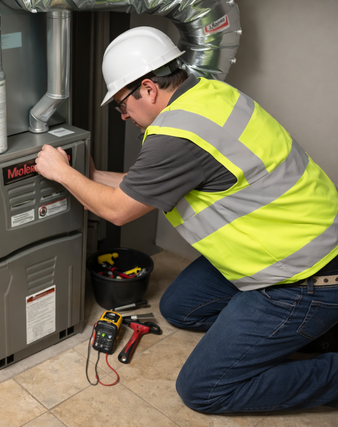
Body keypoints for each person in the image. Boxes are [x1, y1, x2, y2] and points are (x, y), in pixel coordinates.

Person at [35, 26, 338, 413]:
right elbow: (143, 187)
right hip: (301, 243)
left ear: (148, 88)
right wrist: (87, 176)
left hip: (304, 278)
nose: (124, 115)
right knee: (181, 307)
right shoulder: (209, 97)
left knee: (204, 390)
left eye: (122, 104)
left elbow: (117, 209)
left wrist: (62, 174)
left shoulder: (176, 136)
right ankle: (284, 334)